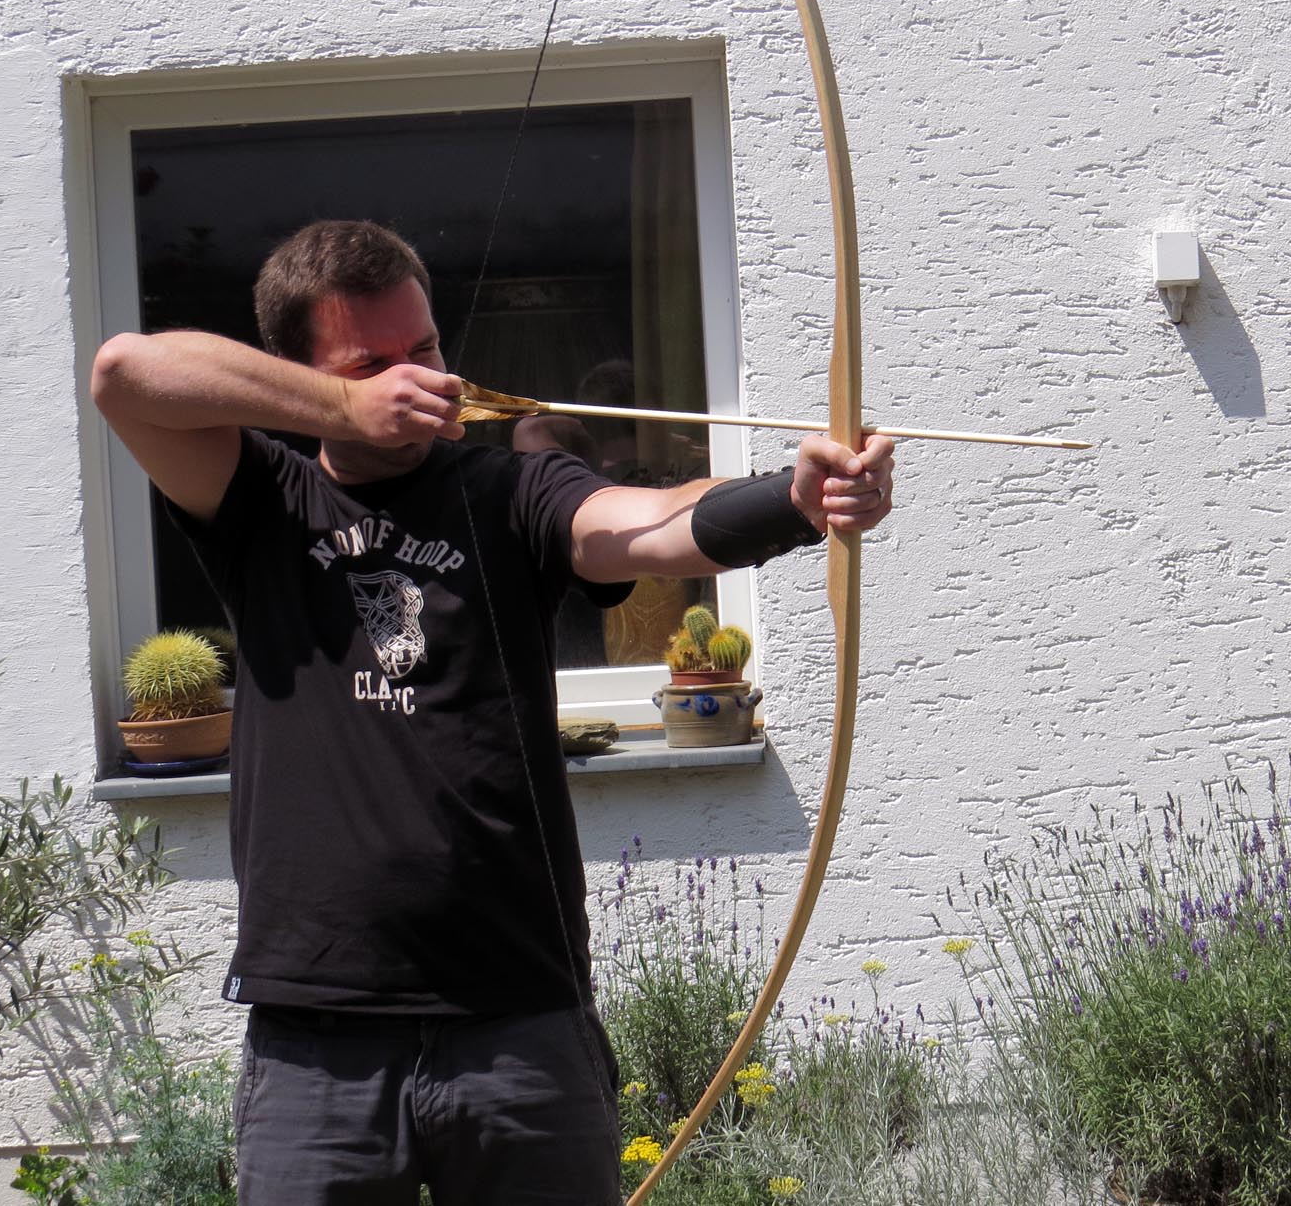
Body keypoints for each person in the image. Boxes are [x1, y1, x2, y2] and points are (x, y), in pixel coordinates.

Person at [89, 219, 896, 1205]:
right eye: (372, 363)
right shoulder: (263, 500)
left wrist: (793, 501)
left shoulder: (513, 489)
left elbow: (647, 526)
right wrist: (346, 406)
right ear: (302, 378)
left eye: (425, 347)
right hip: (317, 1040)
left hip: (519, 1023)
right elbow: (124, 373)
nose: (418, 378)